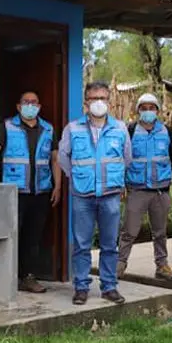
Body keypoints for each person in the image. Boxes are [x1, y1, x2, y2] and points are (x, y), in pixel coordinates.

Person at [0, 90, 62, 294]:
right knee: (12, 234)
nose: (30, 105)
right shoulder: (7, 126)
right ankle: (7, 278)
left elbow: (55, 159)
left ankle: (28, 277)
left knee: (33, 237)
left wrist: (57, 186)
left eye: (34, 102)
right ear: (18, 106)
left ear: (39, 106)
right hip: (14, 192)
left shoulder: (48, 129)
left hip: (41, 192)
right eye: (26, 102)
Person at [58, 81, 132, 305]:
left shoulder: (120, 128)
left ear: (109, 102)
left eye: (103, 98)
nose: (99, 103)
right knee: (82, 244)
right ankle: (81, 287)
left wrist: (114, 179)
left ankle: (109, 287)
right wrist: (79, 177)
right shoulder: (73, 128)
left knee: (110, 244)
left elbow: (126, 159)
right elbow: (63, 158)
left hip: (110, 194)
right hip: (83, 195)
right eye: (94, 98)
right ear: (86, 102)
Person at [117, 93, 172, 282]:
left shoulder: (166, 132)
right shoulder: (130, 131)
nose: (148, 112)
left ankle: (162, 266)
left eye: (151, 108)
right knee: (129, 230)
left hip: (160, 190)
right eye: (144, 108)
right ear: (138, 111)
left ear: (157, 110)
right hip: (137, 190)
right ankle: (120, 264)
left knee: (160, 232)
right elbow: (121, 160)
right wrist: (121, 184)